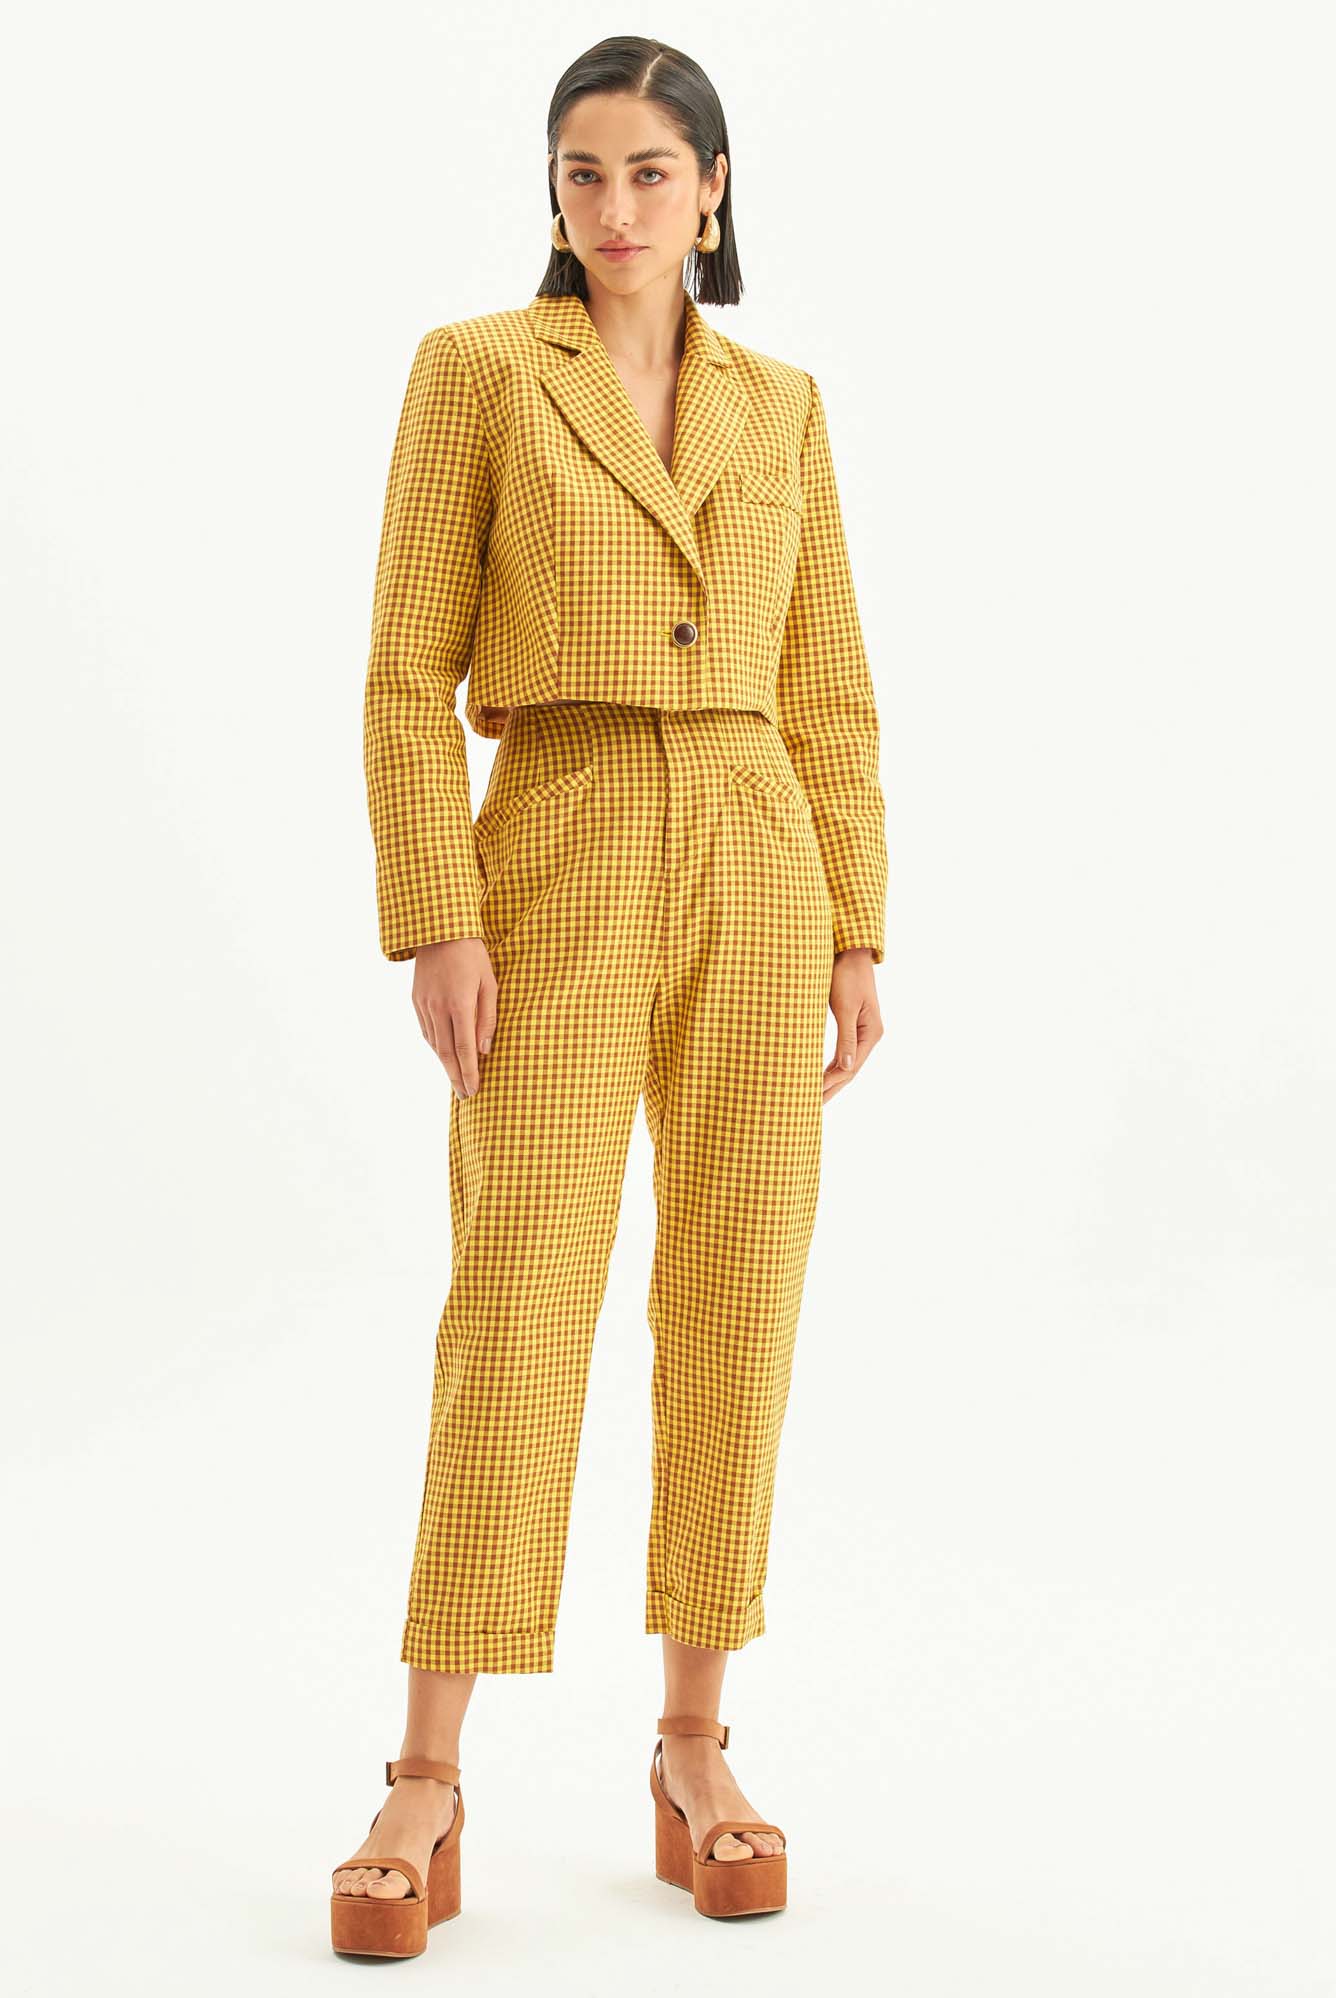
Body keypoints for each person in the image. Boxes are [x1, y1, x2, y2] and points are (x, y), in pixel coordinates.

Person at [330, 35, 888, 1955]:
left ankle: (695, 1746)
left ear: (713, 189)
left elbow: (830, 680)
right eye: (585, 172)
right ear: (552, 193)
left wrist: (856, 925)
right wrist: (438, 912)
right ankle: (426, 1769)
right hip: (556, 833)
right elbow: (404, 667)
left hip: (755, 839)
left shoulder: (782, 407)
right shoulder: (481, 372)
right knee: (520, 1291)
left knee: (737, 1291)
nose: (619, 206)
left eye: (653, 171)